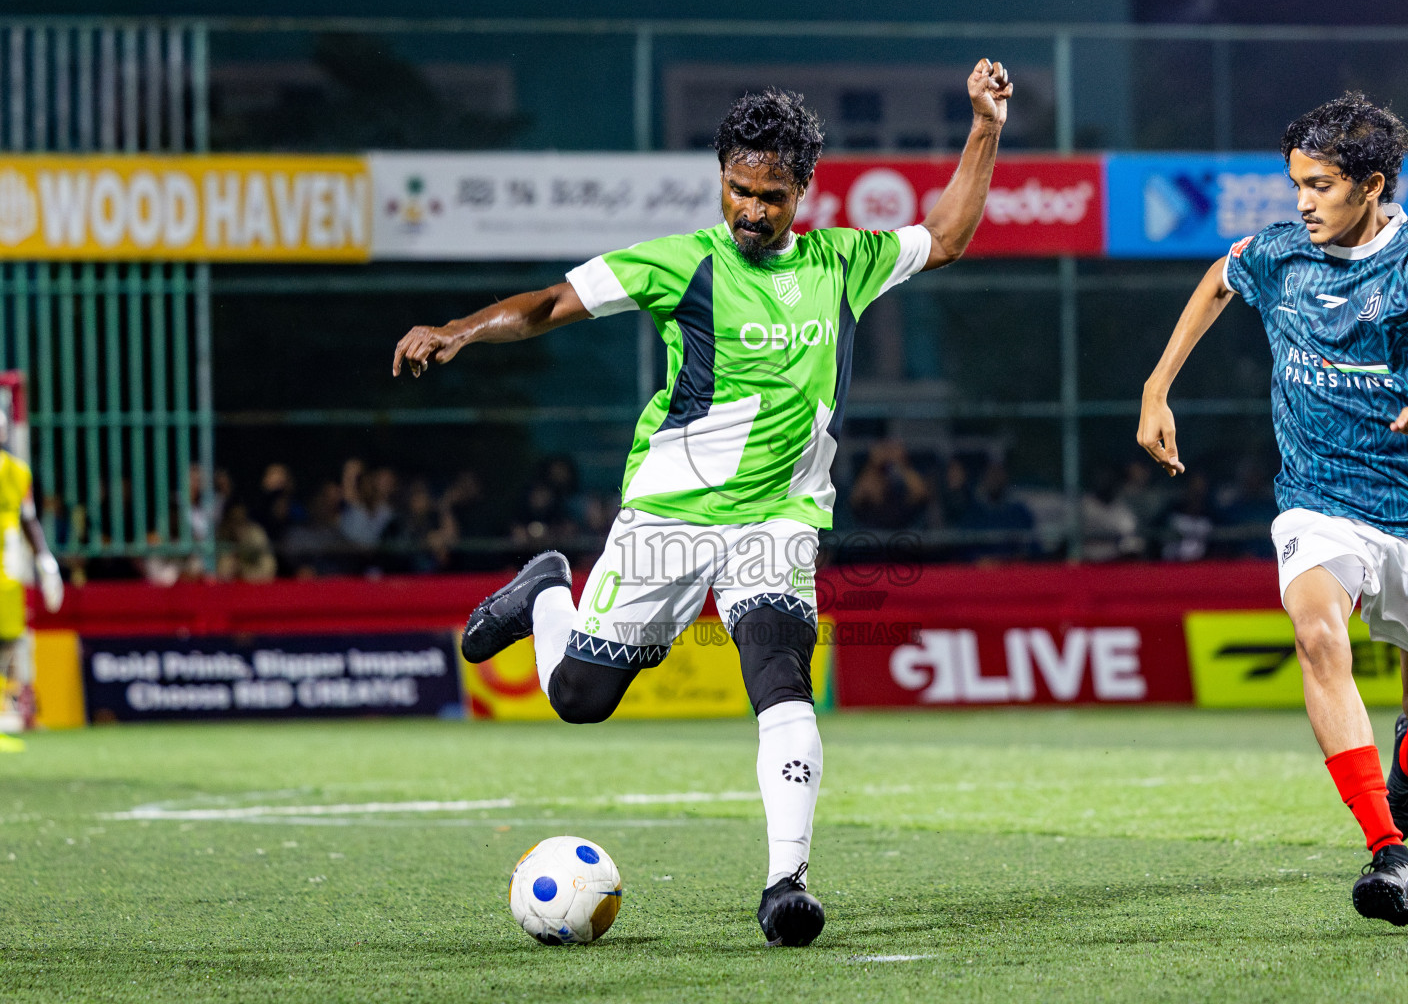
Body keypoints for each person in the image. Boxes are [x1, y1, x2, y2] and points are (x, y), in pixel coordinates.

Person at [393, 60, 1014, 947]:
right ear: (720, 179)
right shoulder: (682, 263)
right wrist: (458, 331)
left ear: (804, 190)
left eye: (769, 195)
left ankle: (786, 882)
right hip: (672, 511)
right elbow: (550, 303)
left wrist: (984, 124)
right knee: (577, 696)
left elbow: (947, 235)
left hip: (779, 518)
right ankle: (547, 591)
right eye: (737, 190)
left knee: (778, 673)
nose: (750, 211)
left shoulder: (845, 260)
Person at [1138, 93, 1408, 927]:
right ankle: (1388, 854)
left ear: (1371, 186)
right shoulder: (1282, 252)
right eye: (1296, 182)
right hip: (1316, 499)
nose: (1302, 201)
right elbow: (1218, 280)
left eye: (1321, 185)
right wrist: (1157, 386)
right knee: (1316, 632)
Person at [0, 407, 64, 749]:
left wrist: (45, 561)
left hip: (7, 570)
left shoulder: (17, 472)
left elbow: (29, 520)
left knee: (8, 639)